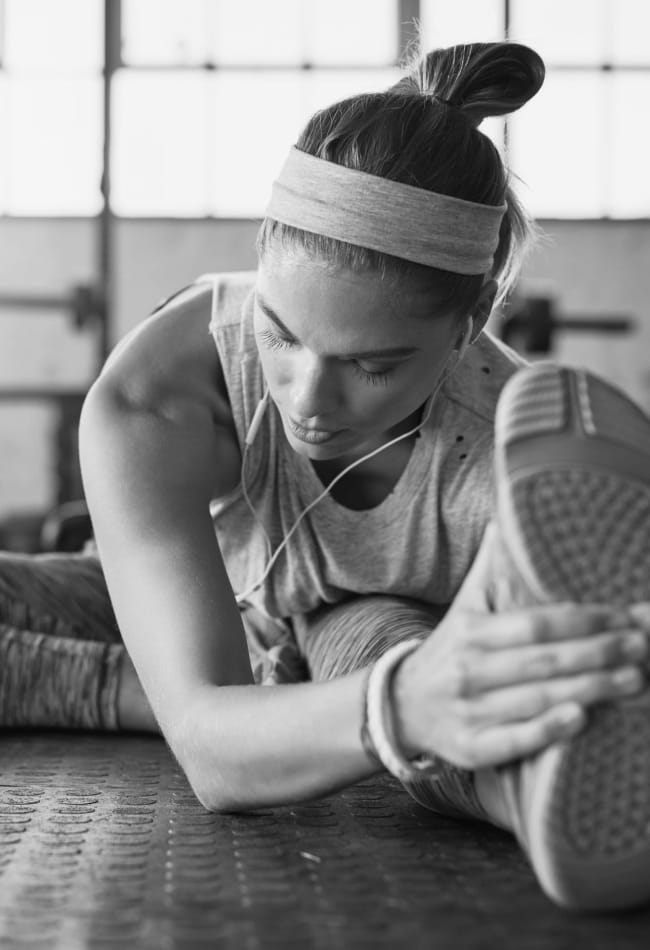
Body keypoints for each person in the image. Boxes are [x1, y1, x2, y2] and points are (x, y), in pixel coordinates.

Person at [1, 41, 648, 912]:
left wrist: (412, 699)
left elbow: (235, 765)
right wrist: (195, 697)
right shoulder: (155, 393)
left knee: (402, 662)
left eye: (372, 366)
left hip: (368, 631)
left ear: (471, 322)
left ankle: (515, 795)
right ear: (261, 262)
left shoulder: (509, 452)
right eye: (279, 332)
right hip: (211, 604)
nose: (309, 400)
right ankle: (185, 690)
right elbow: (209, 744)